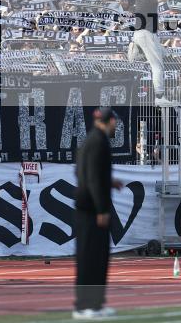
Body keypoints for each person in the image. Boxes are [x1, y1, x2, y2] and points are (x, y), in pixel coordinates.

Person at [74, 107, 123, 320]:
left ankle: (94, 303)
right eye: (115, 123)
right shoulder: (98, 142)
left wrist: (109, 182)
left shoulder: (90, 140)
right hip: (92, 210)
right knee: (92, 259)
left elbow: (82, 172)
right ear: (109, 121)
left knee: (96, 257)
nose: (116, 127)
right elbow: (92, 177)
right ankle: (86, 305)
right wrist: (102, 209)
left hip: (89, 207)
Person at [128, 0, 181, 107]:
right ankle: (159, 96)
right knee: (157, 66)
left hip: (138, 36)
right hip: (147, 35)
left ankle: (135, 58)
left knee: (162, 54)